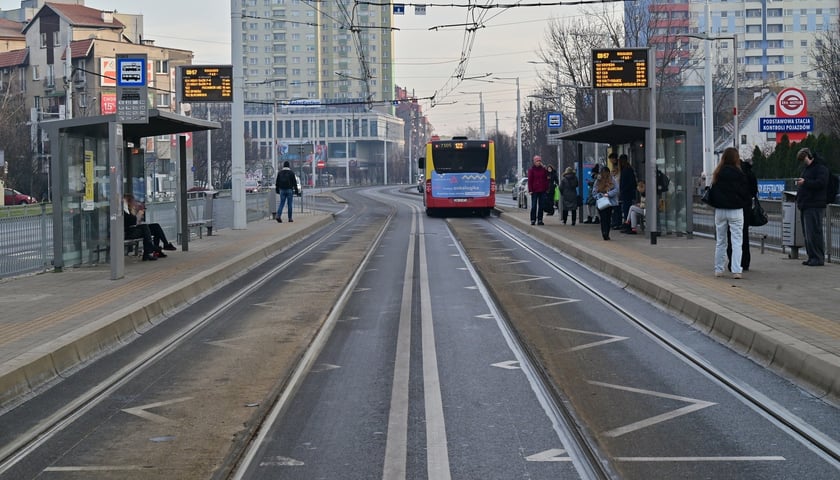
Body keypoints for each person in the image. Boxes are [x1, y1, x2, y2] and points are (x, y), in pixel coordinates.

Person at [711, 147, 751, 279]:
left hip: (720, 211)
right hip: (736, 210)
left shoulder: (717, 173)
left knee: (721, 241)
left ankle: (718, 269)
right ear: (736, 159)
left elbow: (713, 192)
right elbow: (745, 193)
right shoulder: (740, 174)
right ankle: (736, 270)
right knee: (737, 241)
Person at [795, 147, 829, 266]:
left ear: (809, 156)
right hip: (806, 204)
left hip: (814, 205)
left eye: (804, 159)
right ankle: (812, 256)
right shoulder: (807, 169)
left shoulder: (820, 168)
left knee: (814, 232)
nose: (804, 162)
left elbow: (821, 183)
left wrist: (805, 183)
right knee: (808, 234)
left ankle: (817, 258)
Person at [727, 157, 758, 271]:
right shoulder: (750, 173)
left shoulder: (733, 174)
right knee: (744, 235)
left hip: (733, 207)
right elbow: (754, 191)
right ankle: (745, 262)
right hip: (746, 207)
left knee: (732, 235)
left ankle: (733, 262)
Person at [123, 194, 176, 261]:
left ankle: (164, 245)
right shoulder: (123, 211)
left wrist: (137, 215)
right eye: (133, 202)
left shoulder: (129, 210)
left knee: (155, 226)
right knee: (145, 228)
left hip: (134, 229)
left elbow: (135, 223)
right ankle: (149, 251)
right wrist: (137, 215)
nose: (134, 203)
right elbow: (131, 222)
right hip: (128, 232)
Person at [593, 167, 618, 240]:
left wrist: (608, 194)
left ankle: (607, 232)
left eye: (606, 173)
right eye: (603, 173)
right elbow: (594, 191)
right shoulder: (598, 180)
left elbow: (616, 189)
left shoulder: (612, 180)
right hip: (601, 201)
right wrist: (599, 196)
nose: (604, 174)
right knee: (603, 218)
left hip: (610, 202)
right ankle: (604, 233)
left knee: (608, 218)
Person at [526, 155, 549, 225]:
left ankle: (540, 220)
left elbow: (546, 179)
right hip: (534, 190)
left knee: (541, 206)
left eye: (539, 161)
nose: (538, 162)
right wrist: (530, 190)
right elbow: (530, 180)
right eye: (537, 161)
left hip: (542, 190)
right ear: (534, 162)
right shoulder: (531, 170)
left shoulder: (543, 170)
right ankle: (533, 219)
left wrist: (546, 188)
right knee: (534, 206)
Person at [618, 154, 637, 233]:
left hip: (627, 193)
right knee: (626, 209)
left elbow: (631, 183)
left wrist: (623, 190)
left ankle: (628, 226)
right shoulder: (627, 169)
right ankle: (627, 225)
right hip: (626, 193)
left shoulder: (627, 170)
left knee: (627, 209)